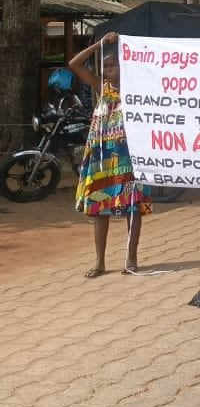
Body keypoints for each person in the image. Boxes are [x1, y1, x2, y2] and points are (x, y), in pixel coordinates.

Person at [70, 32, 149, 278]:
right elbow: (74, 64)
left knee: (132, 208)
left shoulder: (136, 91)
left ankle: (131, 259)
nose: (109, 70)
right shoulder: (99, 87)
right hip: (101, 158)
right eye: (106, 66)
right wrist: (99, 44)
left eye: (114, 65)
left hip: (129, 157)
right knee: (98, 209)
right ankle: (99, 262)